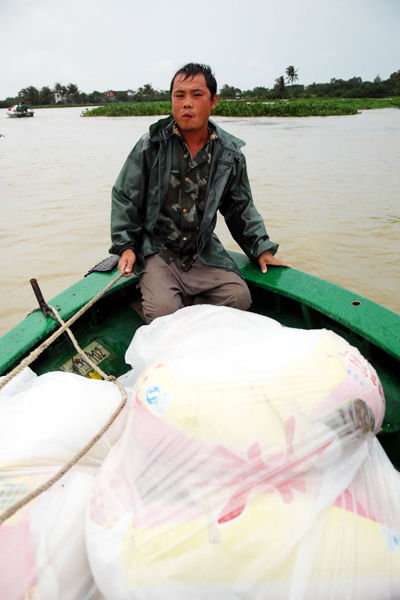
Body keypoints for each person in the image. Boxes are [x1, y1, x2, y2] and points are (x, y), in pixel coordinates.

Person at [110, 63, 291, 323]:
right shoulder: (150, 146)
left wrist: (261, 249)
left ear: (213, 101)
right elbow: (125, 196)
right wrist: (126, 246)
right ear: (171, 99)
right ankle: (158, 296)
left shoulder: (229, 154)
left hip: (201, 250)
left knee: (239, 298)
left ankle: (186, 303)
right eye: (179, 95)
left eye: (196, 95)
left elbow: (240, 207)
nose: (187, 103)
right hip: (157, 250)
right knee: (163, 313)